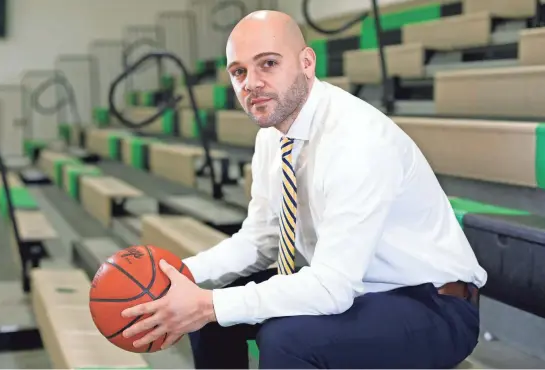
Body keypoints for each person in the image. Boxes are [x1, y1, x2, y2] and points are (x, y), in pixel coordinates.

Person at [120, 9, 487, 369]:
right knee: (211, 314)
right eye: (239, 72)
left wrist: (208, 303)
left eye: (268, 64)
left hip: (431, 306)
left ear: (307, 62)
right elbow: (260, 241)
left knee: (286, 338)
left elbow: (332, 287)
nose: (250, 83)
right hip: (361, 289)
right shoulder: (273, 136)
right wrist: (176, 276)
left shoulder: (357, 140)